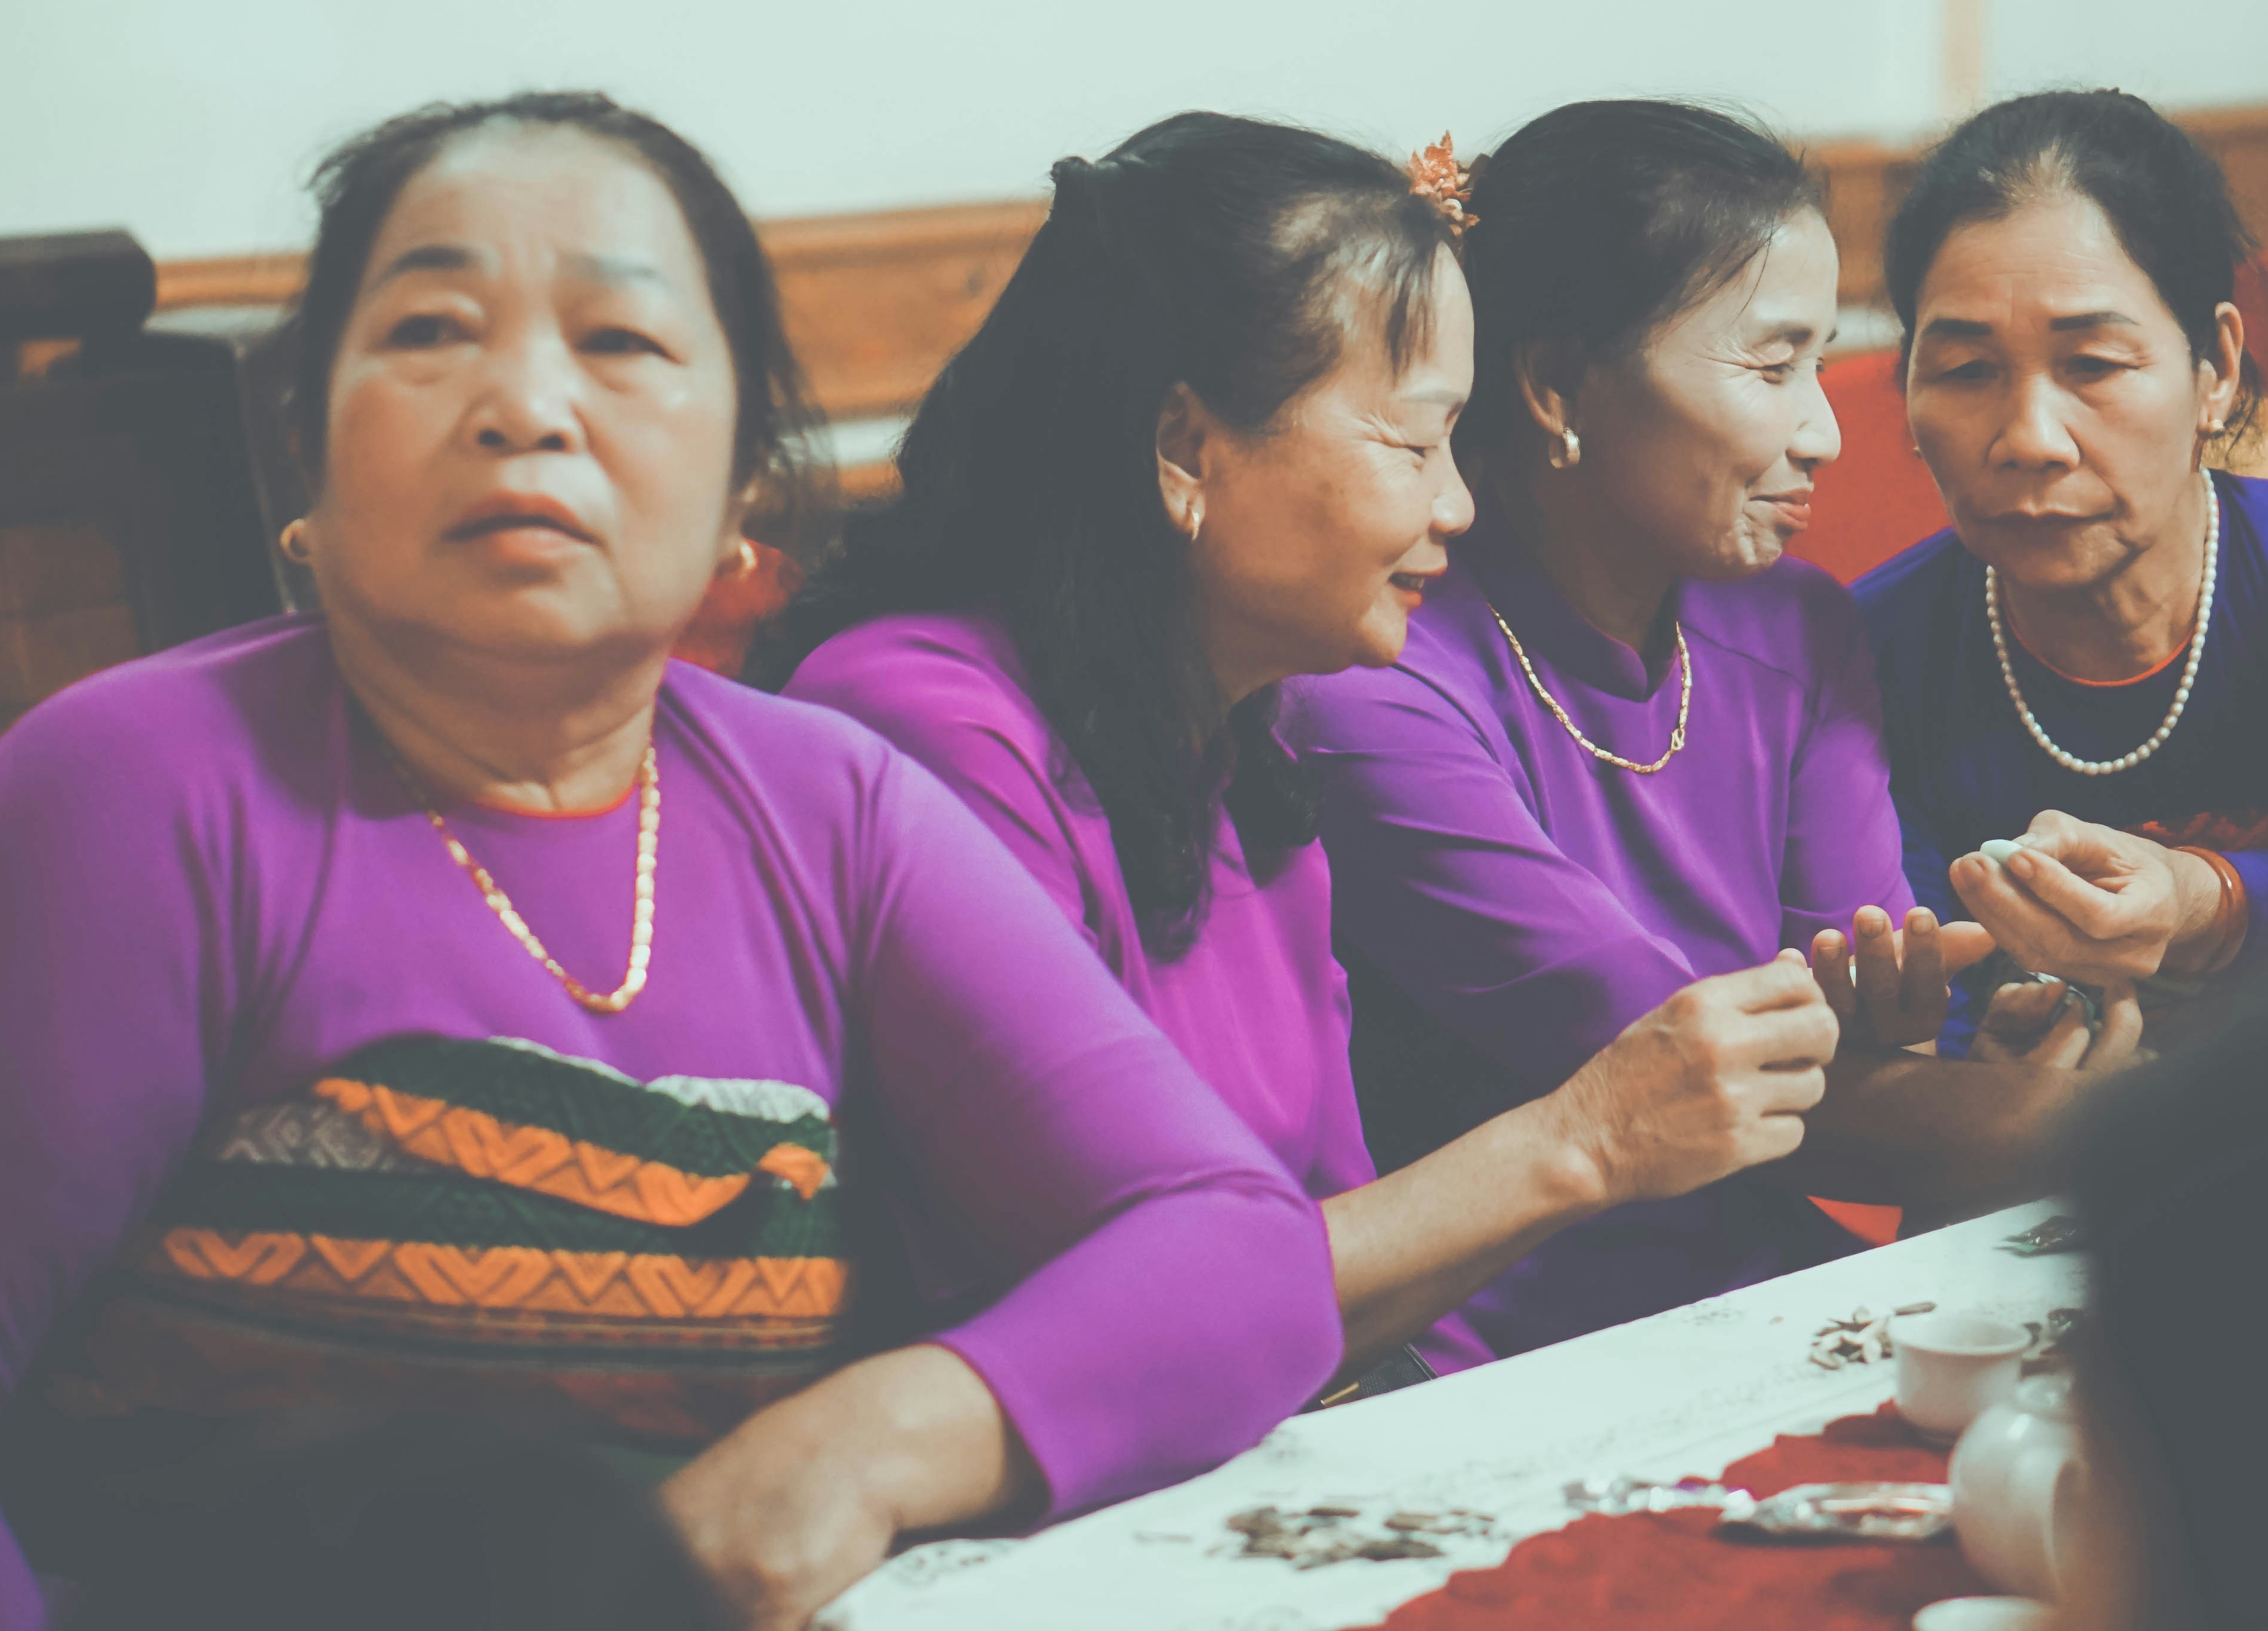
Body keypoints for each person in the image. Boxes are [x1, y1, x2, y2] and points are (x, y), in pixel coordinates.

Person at [0, 95, 1339, 1631]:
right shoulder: (125, 800)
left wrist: (856, 1447)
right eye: (426, 333)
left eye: (622, 342)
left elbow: (1238, 1249)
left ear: (743, 497)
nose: (526, 405)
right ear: (311, 458)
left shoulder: (829, 809)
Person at [768, 113, 1843, 1388]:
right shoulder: (925, 729)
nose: (1456, 502)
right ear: (1185, 448)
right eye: (1411, 440)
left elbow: (1336, 1261)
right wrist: (1583, 1140)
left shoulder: (1240, 741)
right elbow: (1105, 1307)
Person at [1279, 101, 2136, 1365]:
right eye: (1771, 364)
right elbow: (1676, 1061)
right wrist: (2092, 1123)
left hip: (1774, 1289)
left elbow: (1846, 1026)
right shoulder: (1377, 677)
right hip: (1492, 1352)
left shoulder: (1796, 629)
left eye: (1825, 363)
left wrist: (1939, 1046)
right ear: (1557, 386)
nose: (1827, 430)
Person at [1854, 89, 2268, 1043]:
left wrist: (2203, 901)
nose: (2031, 439)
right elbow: (1914, 994)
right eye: (1966, 373)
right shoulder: (1870, 651)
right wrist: (1980, 1063)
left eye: (2095, 365)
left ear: (2218, 369)